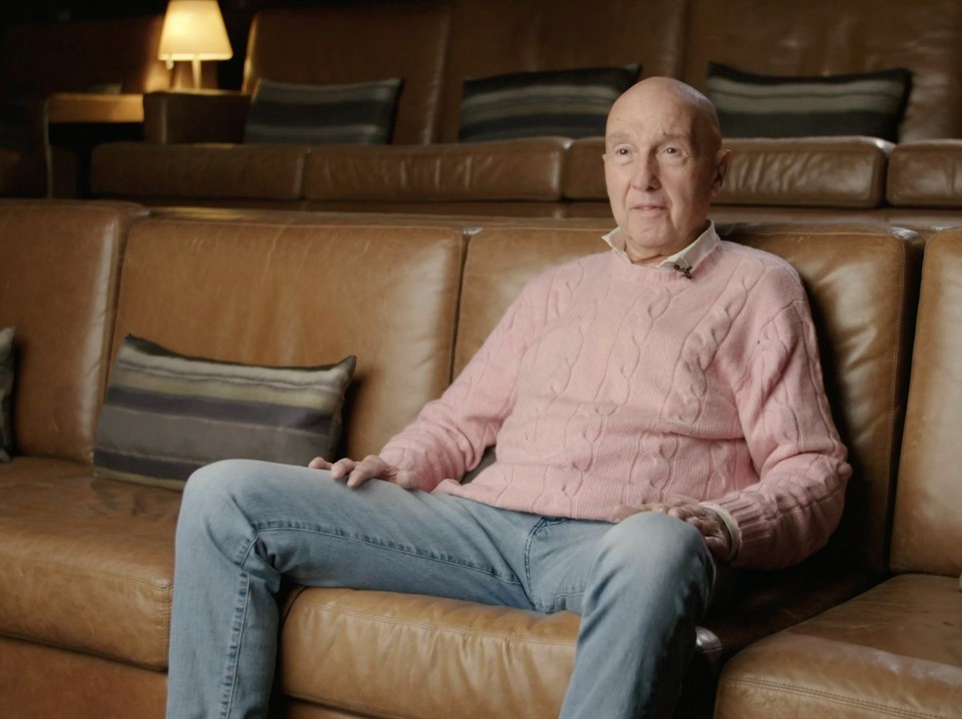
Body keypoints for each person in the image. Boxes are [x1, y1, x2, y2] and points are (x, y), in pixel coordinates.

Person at [166, 76, 851, 719]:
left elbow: (814, 470)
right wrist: (400, 464)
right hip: (484, 532)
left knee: (659, 545)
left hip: (616, 544)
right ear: (605, 168)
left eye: (669, 152)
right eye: (623, 153)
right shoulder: (555, 287)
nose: (642, 177)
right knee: (223, 494)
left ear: (717, 169)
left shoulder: (762, 286)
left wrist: (721, 522)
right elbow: (460, 418)